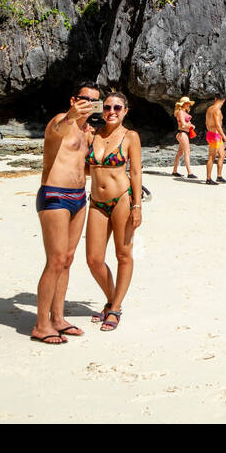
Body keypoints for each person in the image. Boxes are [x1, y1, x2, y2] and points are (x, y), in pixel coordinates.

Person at [32, 82, 102, 345]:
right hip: (55, 195)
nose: (89, 104)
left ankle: (58, 318)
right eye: (85, 99)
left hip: (78, 198)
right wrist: (72, 114)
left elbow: (82, 168)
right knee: (56, 259)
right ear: (74, 99)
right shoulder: (60, 121)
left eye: (95, 101)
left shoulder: (87, 132)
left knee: (68, 259)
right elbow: (58, 129)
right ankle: (41, 325)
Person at [84, 91, 144, 332]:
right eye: (107, 107)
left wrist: (137, 206)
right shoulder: (92, 135)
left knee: (123, 255)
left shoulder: (130, 137)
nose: (111, 112)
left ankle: (116, 307)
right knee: (94, 259)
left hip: (122, 200)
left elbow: (137, 172)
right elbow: (87, 169)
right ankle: (111, 299)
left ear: (125, 111)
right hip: (97, 202)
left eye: (117, 108)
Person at [205, 93, 226, 184]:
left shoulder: (209, 109)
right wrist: (225, 138)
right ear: (223, 100)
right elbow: (218, 126)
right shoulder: (217, 111)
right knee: (211, 157)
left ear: (215, 98)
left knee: (222, 154)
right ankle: (208, 179)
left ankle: (219, 176)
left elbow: (206, 123)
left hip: (212, 134)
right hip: (215, 136)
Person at [172, 96, 196, 178]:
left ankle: (174, 171)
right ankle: (189, 173)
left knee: (180, 153)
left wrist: (190, 126)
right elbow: (183, 124)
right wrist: (191, 126)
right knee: (187, 152)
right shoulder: (181, 112)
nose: (188, 104)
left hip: (183, 133)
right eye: (187, 103)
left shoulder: (183, 112)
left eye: (188, 103)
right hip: (182, 133)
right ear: (183, 104)